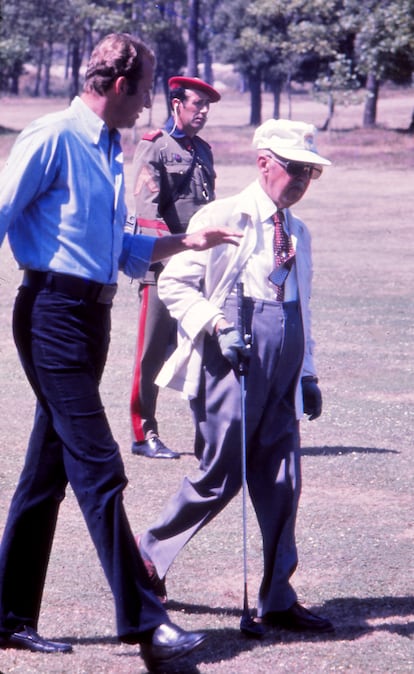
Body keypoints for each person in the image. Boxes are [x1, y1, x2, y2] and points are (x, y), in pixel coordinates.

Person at [0, 33, 240, 670]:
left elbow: (122, 250)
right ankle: (146, 624)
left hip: (91, 316)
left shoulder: (110, 149)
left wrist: (187, 241)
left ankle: (8, 617)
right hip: (51, 313)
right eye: (145, 90)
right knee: (101, 466)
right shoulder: (51, 137)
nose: (151, 104)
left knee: (45, 476)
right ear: (114, 86)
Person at [137, 118, 336, 634]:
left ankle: (277, 597)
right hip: (233, 355)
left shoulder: (299, 232)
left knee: (283, 480)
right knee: (220, 475)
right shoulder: (224, 214)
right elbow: (174, 286)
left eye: (310, 174)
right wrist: (219, 325)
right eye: (294, 169)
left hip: (284, 356)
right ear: (263, 162)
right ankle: (147, 558)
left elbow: (302, 306)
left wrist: (307, 372)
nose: (300, 182)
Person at [130, 75, 221, 459]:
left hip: (200, 266)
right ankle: (142, 432)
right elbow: (147, 214)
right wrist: (175, 256)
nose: (202, 112)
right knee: (152, 352)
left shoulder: (203, 150)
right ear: (176, 105)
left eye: (206, 106)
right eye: (196, 104)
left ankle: (208, 435)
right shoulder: (154, 148)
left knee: (202, 350)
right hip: (163, 267)